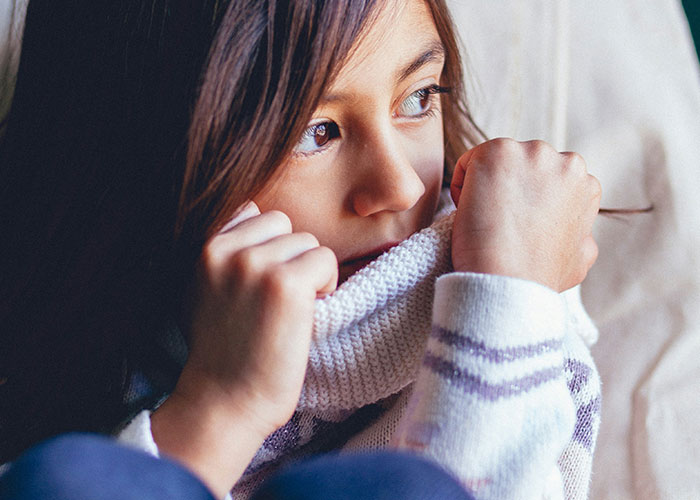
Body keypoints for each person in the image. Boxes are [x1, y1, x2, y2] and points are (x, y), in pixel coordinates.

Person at [0, 0, 601, 499]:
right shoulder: (67, 371)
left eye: (418, 98)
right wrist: (222, 404)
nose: (400, 187)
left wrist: (508, 296)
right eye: (316, 133)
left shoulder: (511, 306)